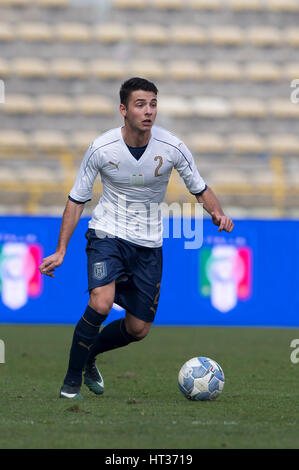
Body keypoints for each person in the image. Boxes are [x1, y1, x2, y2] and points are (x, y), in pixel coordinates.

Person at [39, 77, 234, 399]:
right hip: (107, 234)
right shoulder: (101, 148)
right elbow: (76, 200)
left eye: (153, 104)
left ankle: (89, 355)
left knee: (137, 329)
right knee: (100, 302)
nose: (148, 111)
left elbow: (199, 187)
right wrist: (61, 251)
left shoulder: (172, 147)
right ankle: (71, 380)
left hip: (148, 244)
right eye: (140, 104)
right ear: (123, 110)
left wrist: (217, 213)